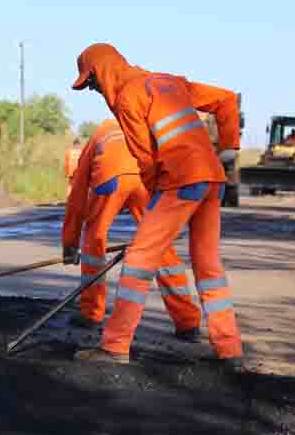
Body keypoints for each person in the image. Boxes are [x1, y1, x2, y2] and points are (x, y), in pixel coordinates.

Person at [69, 43, 244, 372]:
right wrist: (229, 149)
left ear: (101, 72)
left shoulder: (127, 98)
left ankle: (115, 346)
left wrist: (153, 208)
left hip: (181, 181)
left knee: (139, 259)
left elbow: (146, 162)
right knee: (208, 266)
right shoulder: (167, 81)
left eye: (91, 83)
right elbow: (226, 100)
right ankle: (229, 349)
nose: (94, 90)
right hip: (212, 181)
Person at [62, 118, 201, 339]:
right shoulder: (142, 127)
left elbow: (77, 198)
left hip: (110, 180)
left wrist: (69, 244)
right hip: (145, 179)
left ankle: (91, 313)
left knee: (94, 238)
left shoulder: (100, 133)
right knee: (158, 244)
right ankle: (187, 322)